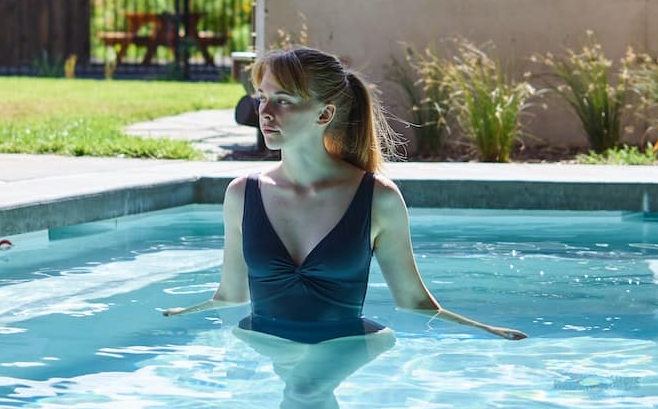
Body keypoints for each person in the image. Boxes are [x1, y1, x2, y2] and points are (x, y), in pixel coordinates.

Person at [162, 45, 527, 343]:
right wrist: (179, 314)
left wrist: (484, 331)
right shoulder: (242, 194)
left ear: (325, 115)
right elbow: (230, 295)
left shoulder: (378, 198)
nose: (265, 112)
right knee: (303, 393)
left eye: (284, 100)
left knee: (304, 392)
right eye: (263, 97)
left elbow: (414, 300)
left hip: (344, 347)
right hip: (266, 342)